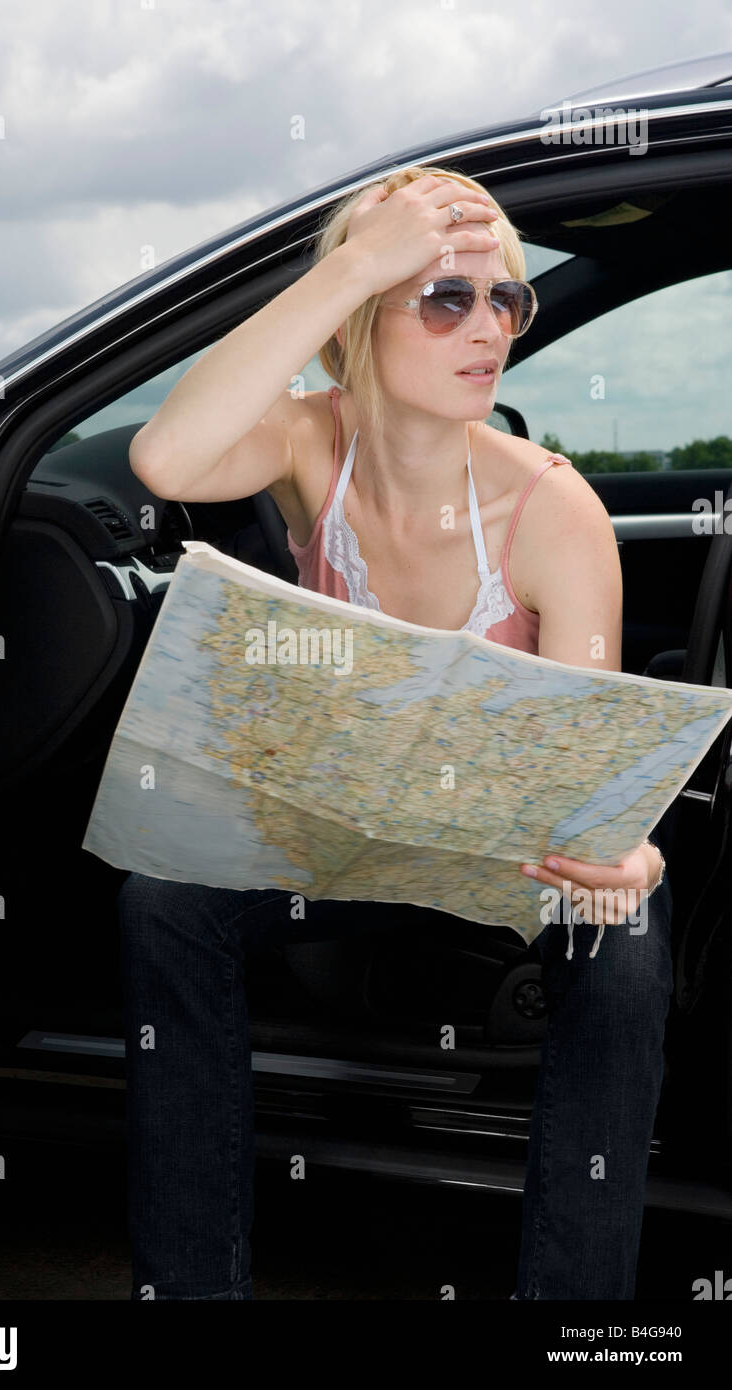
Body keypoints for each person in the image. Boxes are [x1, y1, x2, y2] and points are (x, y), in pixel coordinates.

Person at [118, 164, 672, 1300]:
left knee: (622, 931)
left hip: (498, 850)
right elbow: (167, 460)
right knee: (159, 899)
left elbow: (596, 764)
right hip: (336, 834)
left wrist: (628, 850)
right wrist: (360, 259)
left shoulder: (553, 507)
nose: (489, 329)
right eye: (442, 298)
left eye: (503, 299)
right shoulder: (309, 445)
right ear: (357, 320)